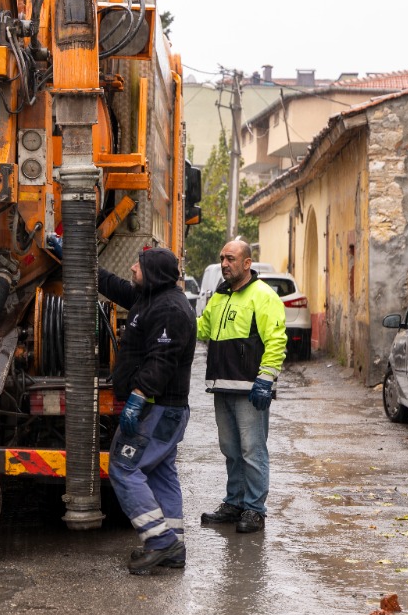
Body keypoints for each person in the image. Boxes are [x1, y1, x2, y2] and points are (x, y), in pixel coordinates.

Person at [47, 236, 197, 573]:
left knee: (124, 469)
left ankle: (160, 543)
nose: (132, 268)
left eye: (139, 265)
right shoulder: (150, 298)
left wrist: (138, 398)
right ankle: (173, 545)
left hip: (157, 408)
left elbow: (162, 361)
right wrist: (72, 254)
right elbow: (110, 284)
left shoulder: (170, 309)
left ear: (154, 273)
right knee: (160, 473)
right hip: (162, 410)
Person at [196, 239, 286, 534]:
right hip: (222, 386)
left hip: (250, 388)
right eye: (222, 258)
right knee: (231, 450)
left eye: (231, 258)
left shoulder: (262, 296)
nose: (224, 263)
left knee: (252, 450)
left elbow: (276, 340)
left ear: (247, 263)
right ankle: (234, 503)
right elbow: (203, 329)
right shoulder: (219, 297)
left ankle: (254, 509)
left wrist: (266, 378)